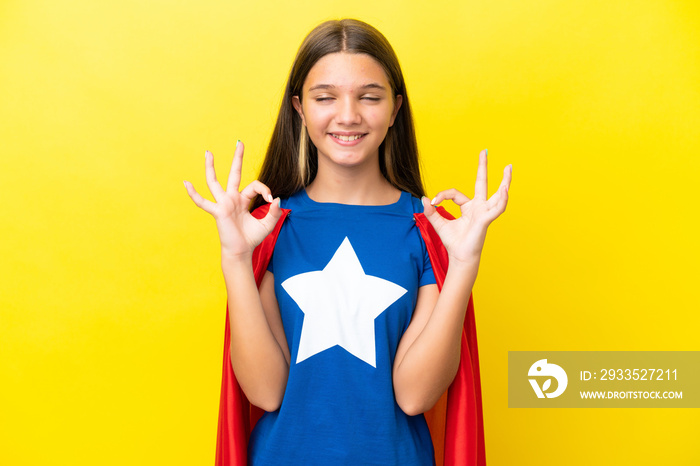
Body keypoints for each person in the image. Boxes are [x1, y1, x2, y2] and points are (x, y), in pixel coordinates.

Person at [184, 19, 511, 466]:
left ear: (395, 109)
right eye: (325, 97)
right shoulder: (267, 229)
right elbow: (265, 390)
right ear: (299, 107)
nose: (348, 115)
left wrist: (464, 264)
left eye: (369, 97)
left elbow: (414, 396)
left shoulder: (430, 231)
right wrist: (236, 259)